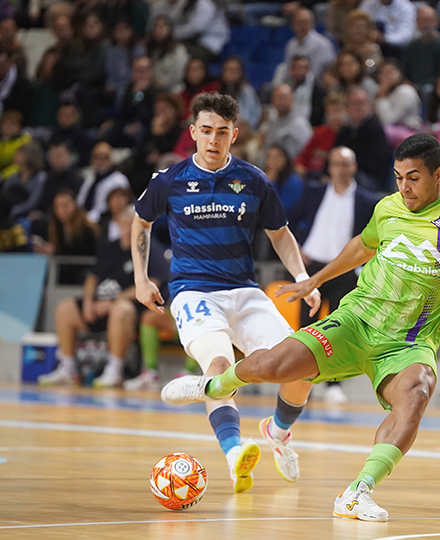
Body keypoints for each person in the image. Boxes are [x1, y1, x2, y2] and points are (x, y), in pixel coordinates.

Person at [159, 132, 440, 521]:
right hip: (356, 321)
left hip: (407, 342)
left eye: (414, 178)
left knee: (416, 394)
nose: (404, 187)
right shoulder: (387, 209)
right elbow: (361, 247)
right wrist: (315, 279)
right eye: (399, 178)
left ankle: (357, 492)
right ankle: (214, 384)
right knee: (277, 365)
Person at [132, 92, 322, 493]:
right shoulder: (170, 180)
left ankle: (278, 432)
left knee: (303, 365)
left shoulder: (253, 181)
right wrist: (141, 277)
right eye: (206, 131)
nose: (213, 140)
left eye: (222, 132)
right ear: (193, 133)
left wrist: (304, 276)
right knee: (218, 362)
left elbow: (281, 234)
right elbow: (140, 222)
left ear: (234, 134)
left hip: (244, 292)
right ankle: (236, 453)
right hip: (193, 293)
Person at [289, 146, 380, 404]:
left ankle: (333, 384)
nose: (340, 169)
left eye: (345, 164)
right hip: (314, 268)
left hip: (345, 270)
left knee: (340, 330)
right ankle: (299, 380)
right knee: (306, 326)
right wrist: (298, 247)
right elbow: (289, 220)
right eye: (335, 164)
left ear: (354, 167)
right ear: (329, 167)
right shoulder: (314, 192)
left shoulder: (366, 200)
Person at [38, 208, 164, 388]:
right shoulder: (110, 248)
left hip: (130, 310)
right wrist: (89, 301)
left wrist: (114, 300)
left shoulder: (150, 249)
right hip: (98, 306)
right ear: (118, 225)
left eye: (132, 224)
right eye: (124, 224)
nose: (128, 229)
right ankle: (67, 367)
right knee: (65, 308)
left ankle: (115, 369)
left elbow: (153, 283)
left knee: (122, 309)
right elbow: (92, 278)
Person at [402, 6, 440, 92]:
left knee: (427, 90)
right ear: (416, 22)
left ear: (436, 22)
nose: (425, 25)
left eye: (428, 21)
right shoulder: (412, 45)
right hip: (412, 87)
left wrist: (418, 86)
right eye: (421, 21)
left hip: (433, 88)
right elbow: (405, 69)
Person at [78, 142, 131, 223]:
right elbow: (80, 202)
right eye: (97, 158)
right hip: (86, 222)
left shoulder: (119, 180)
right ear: (92, 160)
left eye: (104, 158)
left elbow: (119, 207)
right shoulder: (90, 180)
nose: (100, 161)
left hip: (108, 222)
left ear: (111, 159)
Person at [283, 8, 337, 79]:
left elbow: (320, 73)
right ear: (293, 25)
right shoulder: (291, 44)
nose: (302, 26)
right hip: (295, 84)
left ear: (312, 23)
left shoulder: (322, 44)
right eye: (298, 22)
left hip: (317, 85)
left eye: (305, 22)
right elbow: (288, 70)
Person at [0, 110, 32, 185]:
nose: (9, 127)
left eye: (13, 124)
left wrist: (1, 176)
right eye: (6, 124)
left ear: (19, 127)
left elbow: (20, 166)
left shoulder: (25, 141)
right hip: (2, 178)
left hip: (22, 178)